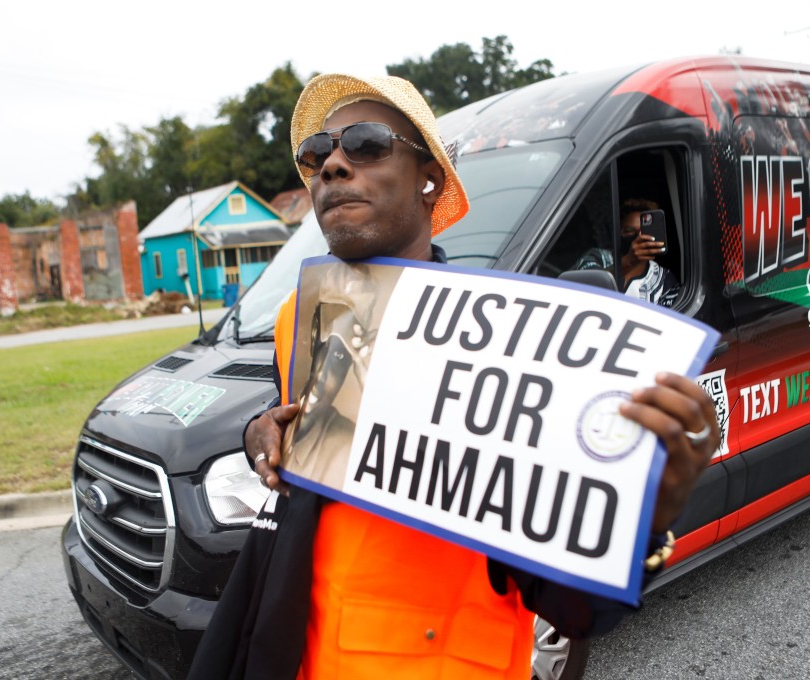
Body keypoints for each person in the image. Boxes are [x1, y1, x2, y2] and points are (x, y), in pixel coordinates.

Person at [190, 74, 720, 680]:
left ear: (429, 180)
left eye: (366, 143)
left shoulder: (513, 344)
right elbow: (310, 457)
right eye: (319, 154)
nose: (333, 165)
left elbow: (573, 609)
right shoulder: (299, 319)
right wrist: (265, 431)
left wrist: (645, 520)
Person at [574, 197, 681, 308]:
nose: (638, 237)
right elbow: (577, 290)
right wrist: (628, 261)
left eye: (644, 232)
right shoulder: (597, 256)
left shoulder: (663, 279)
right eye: (629, 231)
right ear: (618, 233)